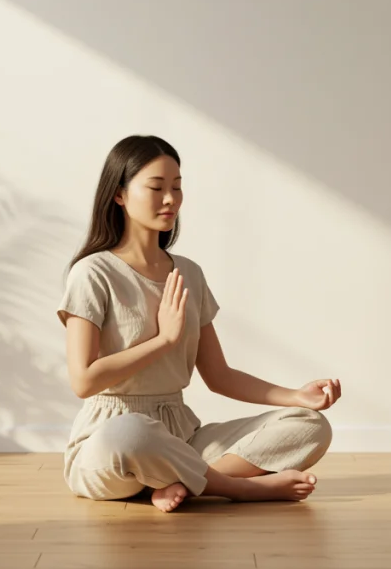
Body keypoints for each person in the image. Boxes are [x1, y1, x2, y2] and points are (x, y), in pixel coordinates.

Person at [56, 135, 340, 512]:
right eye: (156, 187)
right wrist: (163, 340)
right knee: (132, 432)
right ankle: (236, 488)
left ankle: (183, 483)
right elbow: (83, 381)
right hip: (110, 442)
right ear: (119, 194)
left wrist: (296, 396)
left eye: (177, 187)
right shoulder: (93, 273)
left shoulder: (189, 273)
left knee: (310, 424)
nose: (170, 199)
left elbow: (219, 376)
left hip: (182, 436)